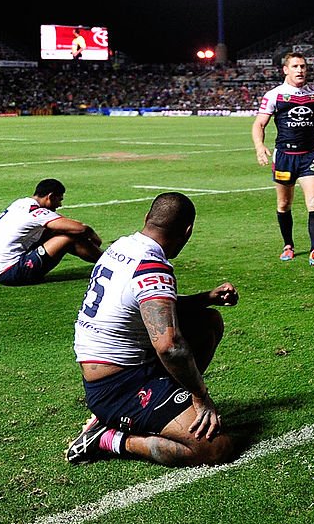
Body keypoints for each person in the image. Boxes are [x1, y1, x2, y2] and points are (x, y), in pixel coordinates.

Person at [67, 192, 238, 467]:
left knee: (208, 321)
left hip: (117, 369)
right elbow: (169, 346)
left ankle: (161, 403)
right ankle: (108, 438)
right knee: (215, 448)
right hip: (119, 386)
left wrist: (207, 298)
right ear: (188, 231)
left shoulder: (122, 247)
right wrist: (201, 396)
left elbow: (149, 310)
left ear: (147, 218)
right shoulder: (152, 266)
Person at [253, 52, 314, 266]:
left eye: (302, 66)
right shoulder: (275, 95)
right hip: (284, 157)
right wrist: (259, 146)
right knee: (284, 204)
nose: (300, 70)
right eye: (295, 66)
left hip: (308, 156)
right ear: (285, 70)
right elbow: (259, 124)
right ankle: (288, 245)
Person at [0, 178, 103, 286]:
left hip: (2, 269)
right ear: (50, 196)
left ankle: (106, 260)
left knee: (57, 231)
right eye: (59, 199)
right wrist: (95, 237)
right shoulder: (35, 212)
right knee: (69, 236)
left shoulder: (21, 203)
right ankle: (110, 262)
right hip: (11, 272)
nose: (60, 205)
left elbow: (61, 222)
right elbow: (81, 228)